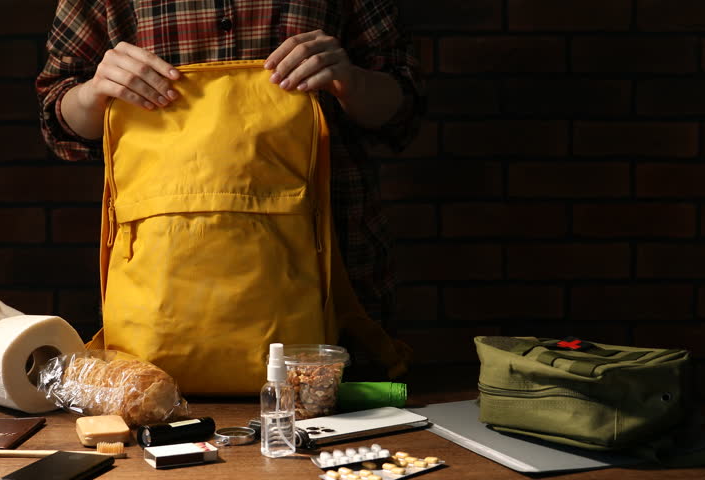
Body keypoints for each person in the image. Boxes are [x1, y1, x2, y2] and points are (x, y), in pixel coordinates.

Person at [36, 0, 423, 357]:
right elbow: (58, 113)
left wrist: (351, 80)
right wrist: (95, 91)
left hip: (340, 271)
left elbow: (403, 104)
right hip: (159, 286)